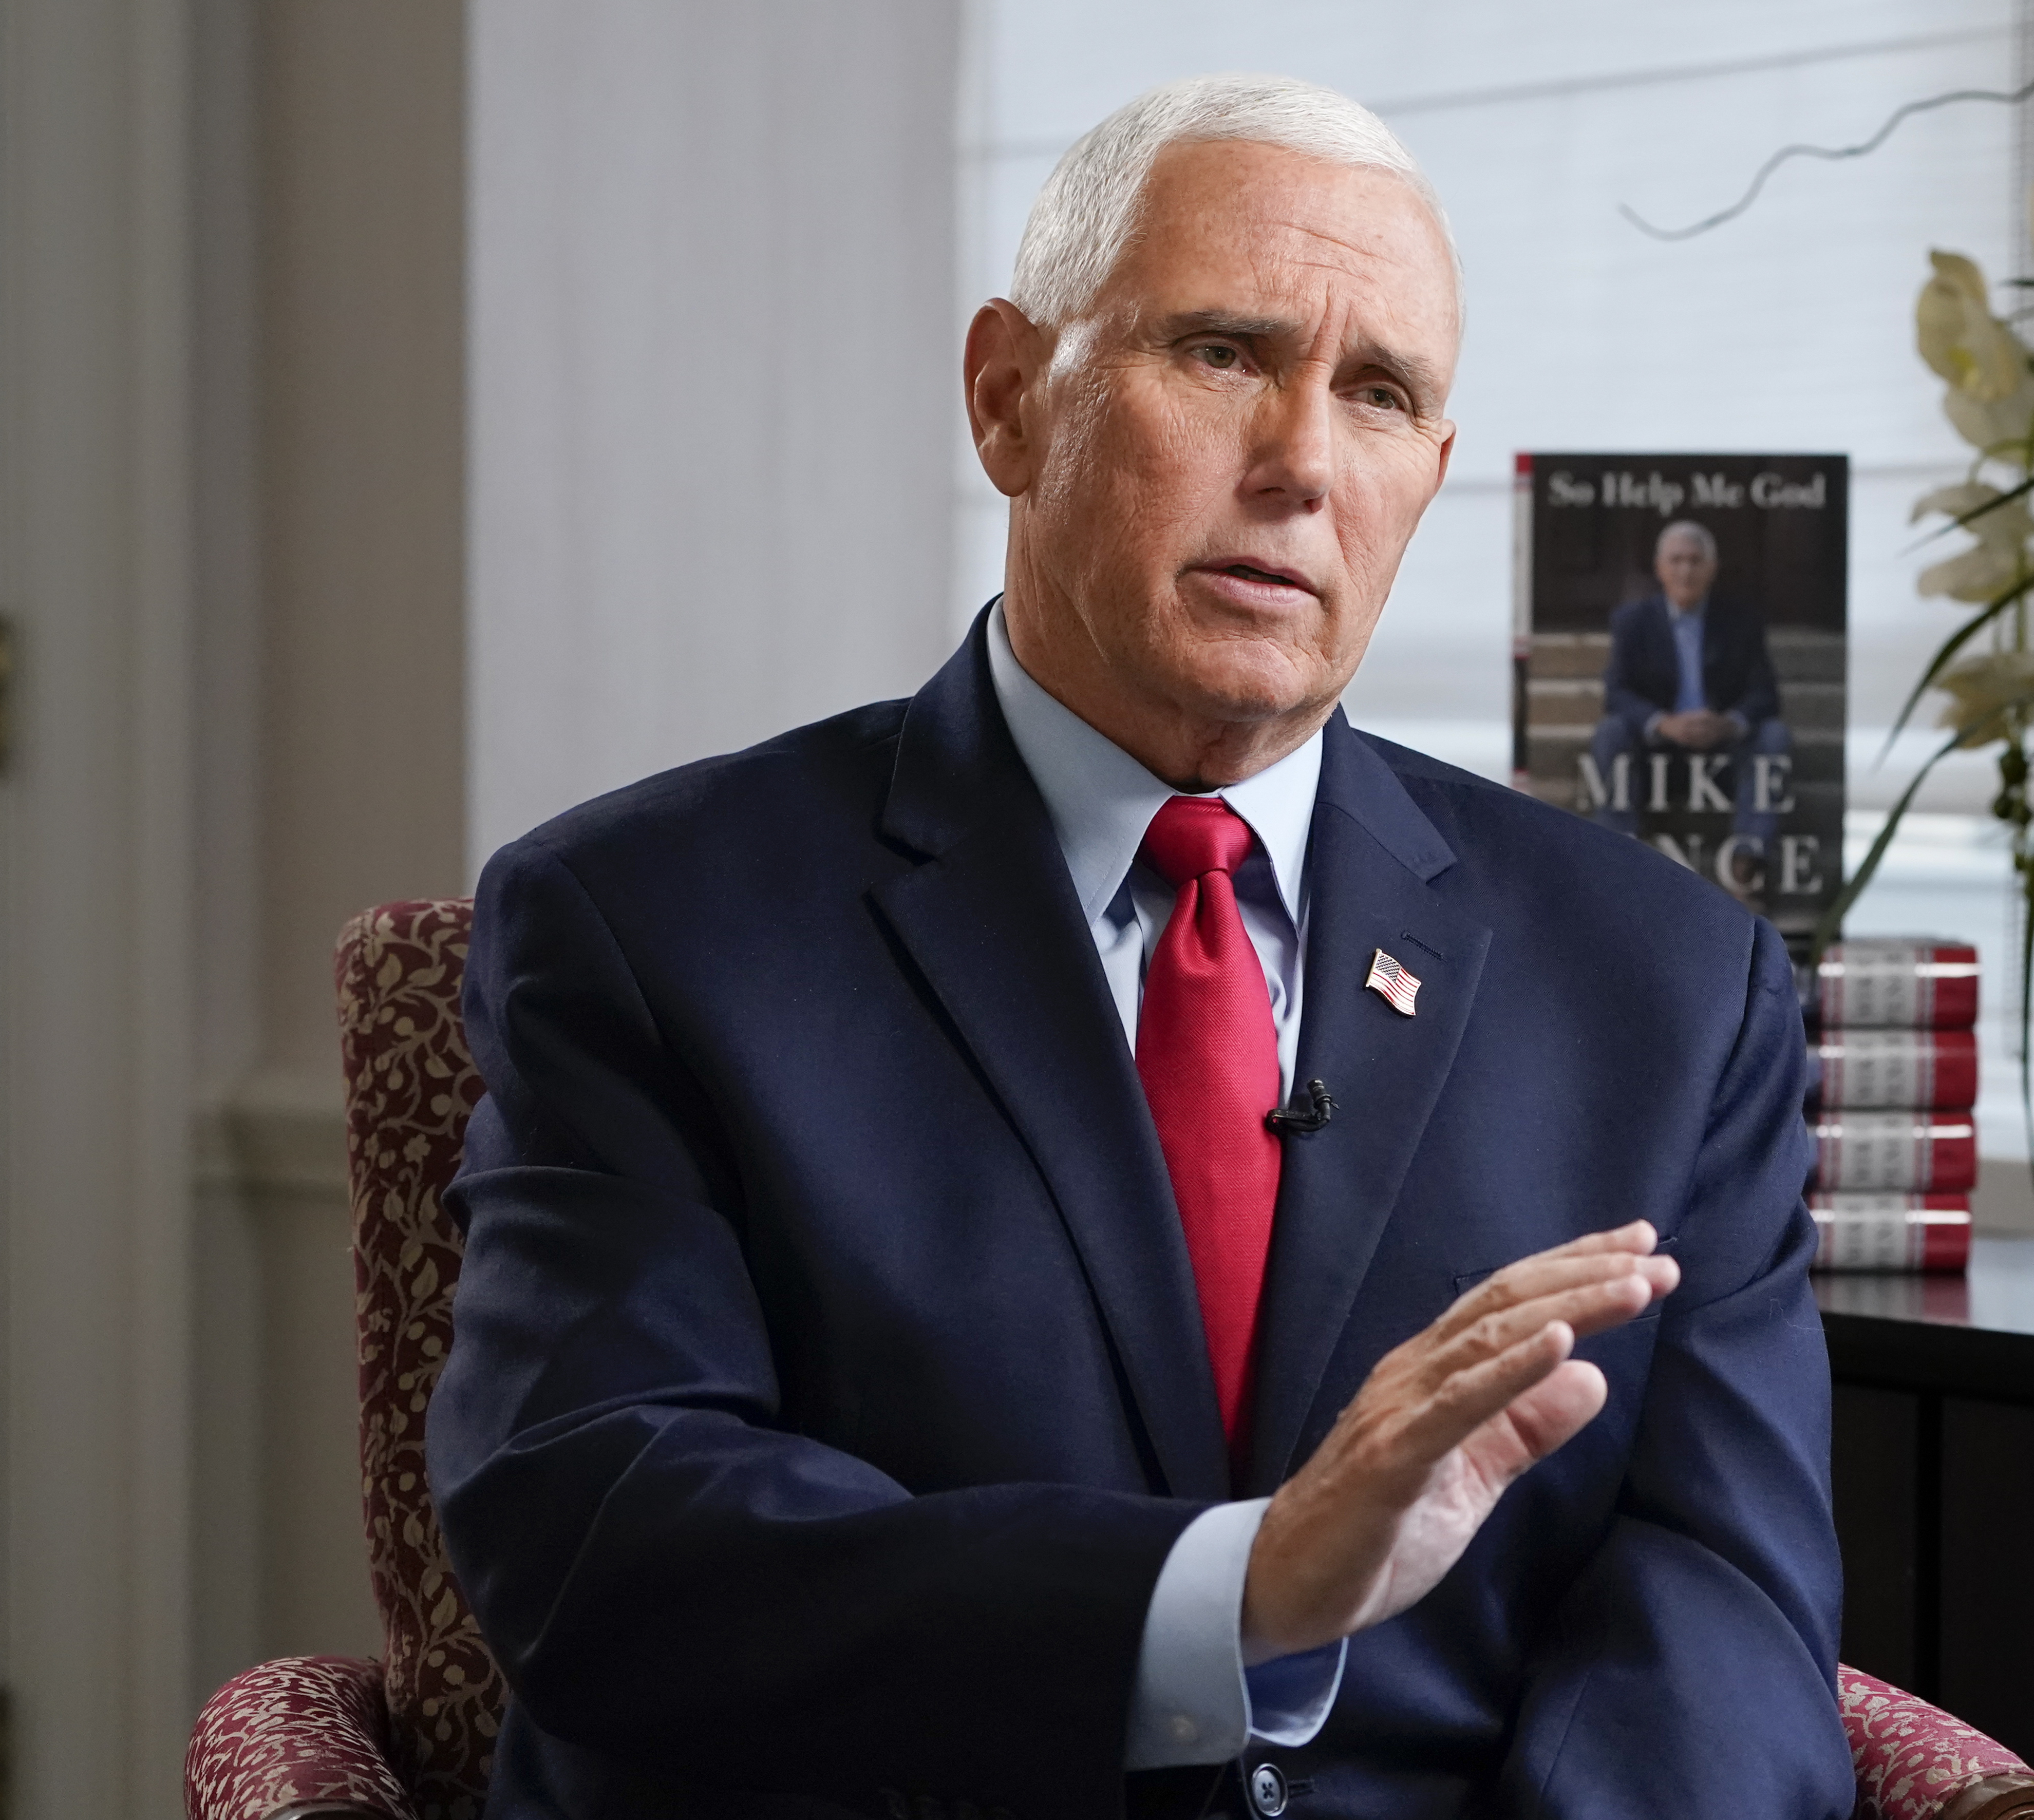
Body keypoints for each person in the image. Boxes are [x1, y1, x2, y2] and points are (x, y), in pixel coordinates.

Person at [429, 74, 1849, 1820]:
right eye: (1226, 354)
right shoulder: (651, 922)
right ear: (1009, 401)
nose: (1302, 463)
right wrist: (1227, 1600)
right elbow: (605, 1539)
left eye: (1380, 395)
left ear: (1430, 477)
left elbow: (1721, 1599)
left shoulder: (1666, 987)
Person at [1588, 521, 1793, 879]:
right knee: (1611, 733)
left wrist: (1727, 722)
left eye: (1696, 561)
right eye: (1677, 560)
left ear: (1712, 569)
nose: (1686, 570)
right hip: (1657, 752)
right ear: (1660, 568)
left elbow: (1765, 695)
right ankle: (1615, 853)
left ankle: (1749, 858)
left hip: (1725, 752)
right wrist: (1664, 723)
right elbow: (1617, 693)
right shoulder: (1633, 622)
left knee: (1773, 735)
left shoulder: (1741, 621)